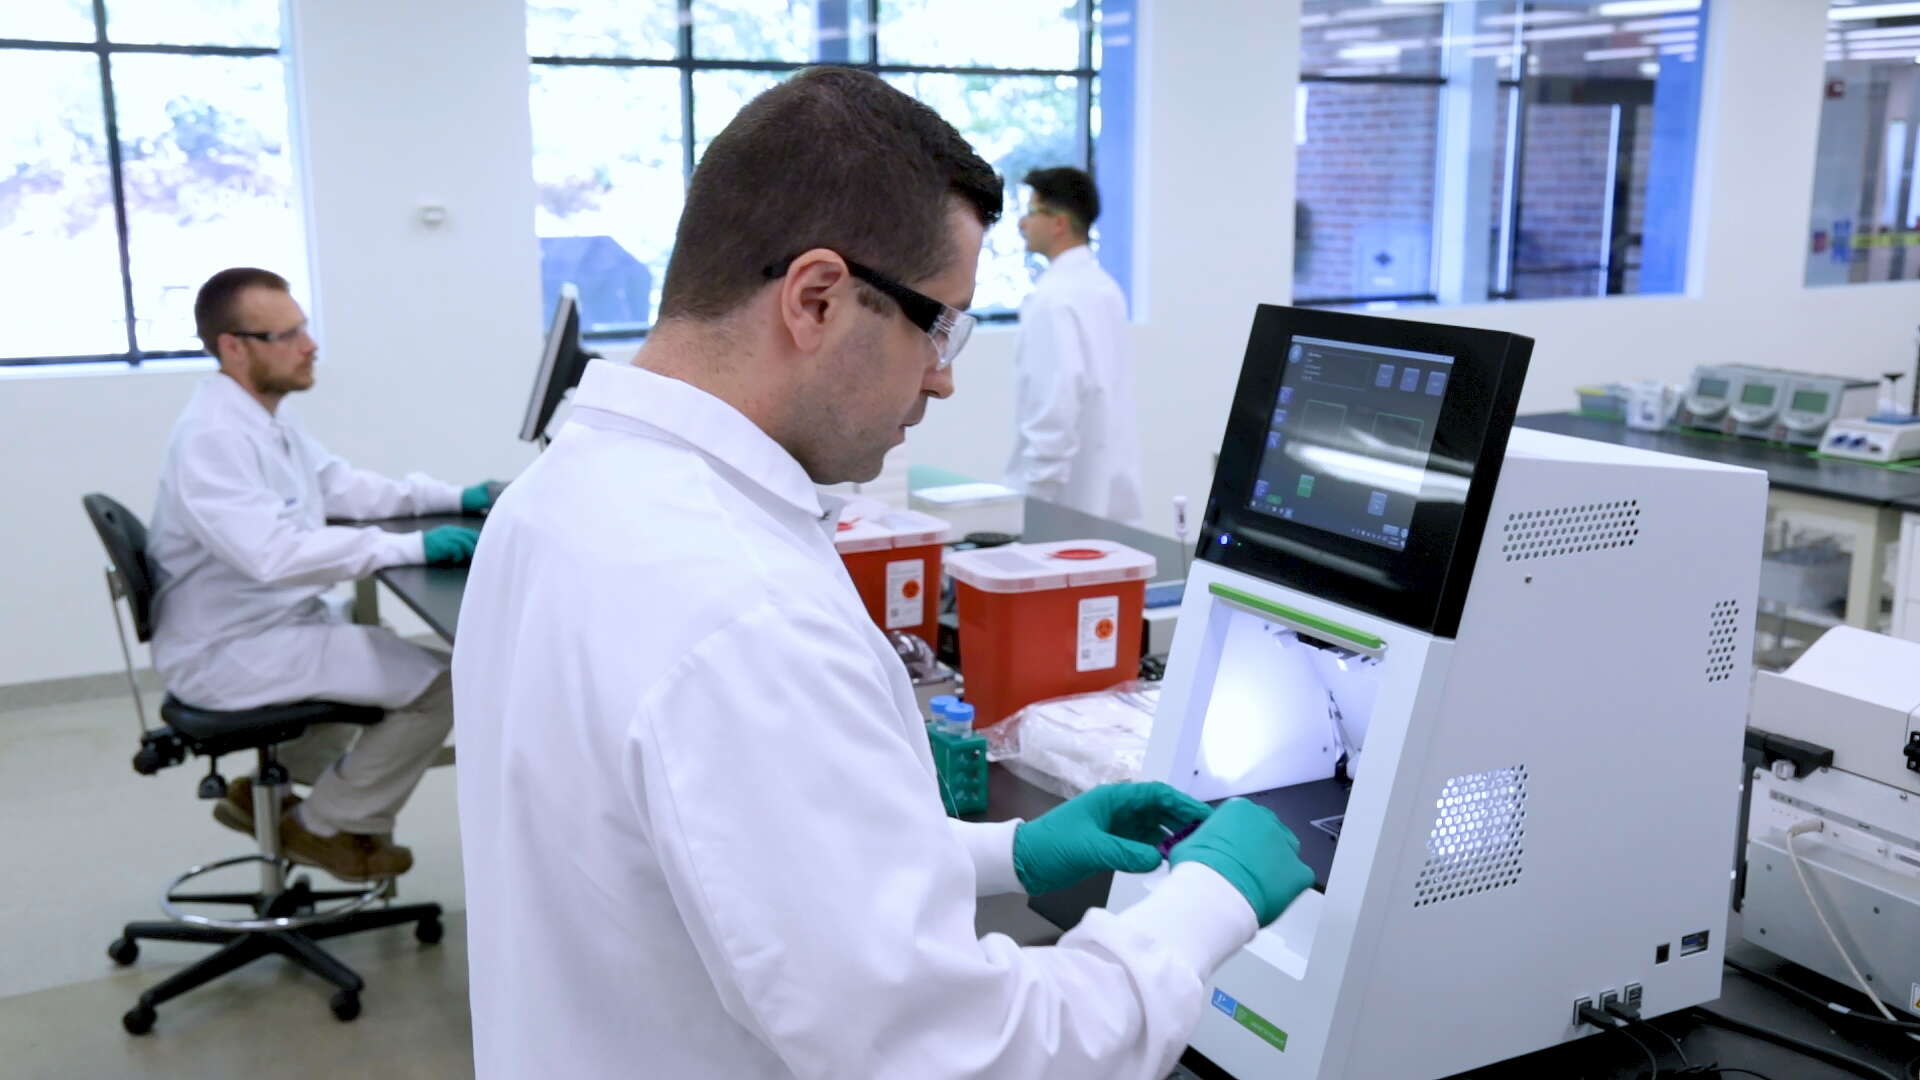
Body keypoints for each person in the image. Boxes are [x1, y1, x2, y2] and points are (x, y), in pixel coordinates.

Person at [453, 68, 1312, 1080]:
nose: (944, 375)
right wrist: (1206, 905)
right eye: (940, 324)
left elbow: (754, 868)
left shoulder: (560, 497)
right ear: (817, 298)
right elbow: (963, 1058)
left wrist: (1009, 853)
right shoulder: (744, 609)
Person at [145, 267, 493, 882]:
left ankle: (263, 798)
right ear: (234, 346)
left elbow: (342, 487)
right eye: (287, 335)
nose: (309, 346)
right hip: (231, 651)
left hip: (267, 628)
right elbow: (273, 555)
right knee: (444, 683)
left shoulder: (261, 418)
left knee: (380, 662)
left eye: (304, 328)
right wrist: (413, 549)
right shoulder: (214, 437)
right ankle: (328, 825)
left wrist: (457, 494)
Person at [1004, 165, 1146, 525]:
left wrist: (1035, 500)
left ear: (1058, 223)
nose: (1023, 223)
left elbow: (1056, 406)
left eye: (1032, 212)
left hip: (1061, 504)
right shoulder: (1105, 289)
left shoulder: (1054, 299)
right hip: (1111, 496)